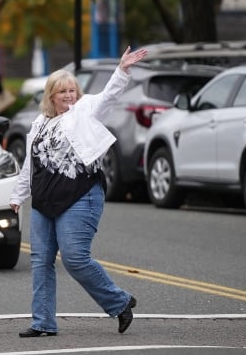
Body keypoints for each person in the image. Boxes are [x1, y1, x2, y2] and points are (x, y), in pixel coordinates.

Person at [9, 46, 147, 337]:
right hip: (44, 200)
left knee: (74, 257)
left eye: (72, 90)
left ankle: (119, 302)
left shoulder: (85, 111)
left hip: (80, 195)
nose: (69, 95)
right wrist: (16, 196)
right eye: (62, 92)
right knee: (41, 261)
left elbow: (109, 95)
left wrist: (122, 70)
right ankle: (43, 322)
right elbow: (29, 166)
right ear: (51, 96)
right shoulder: (40, 123)